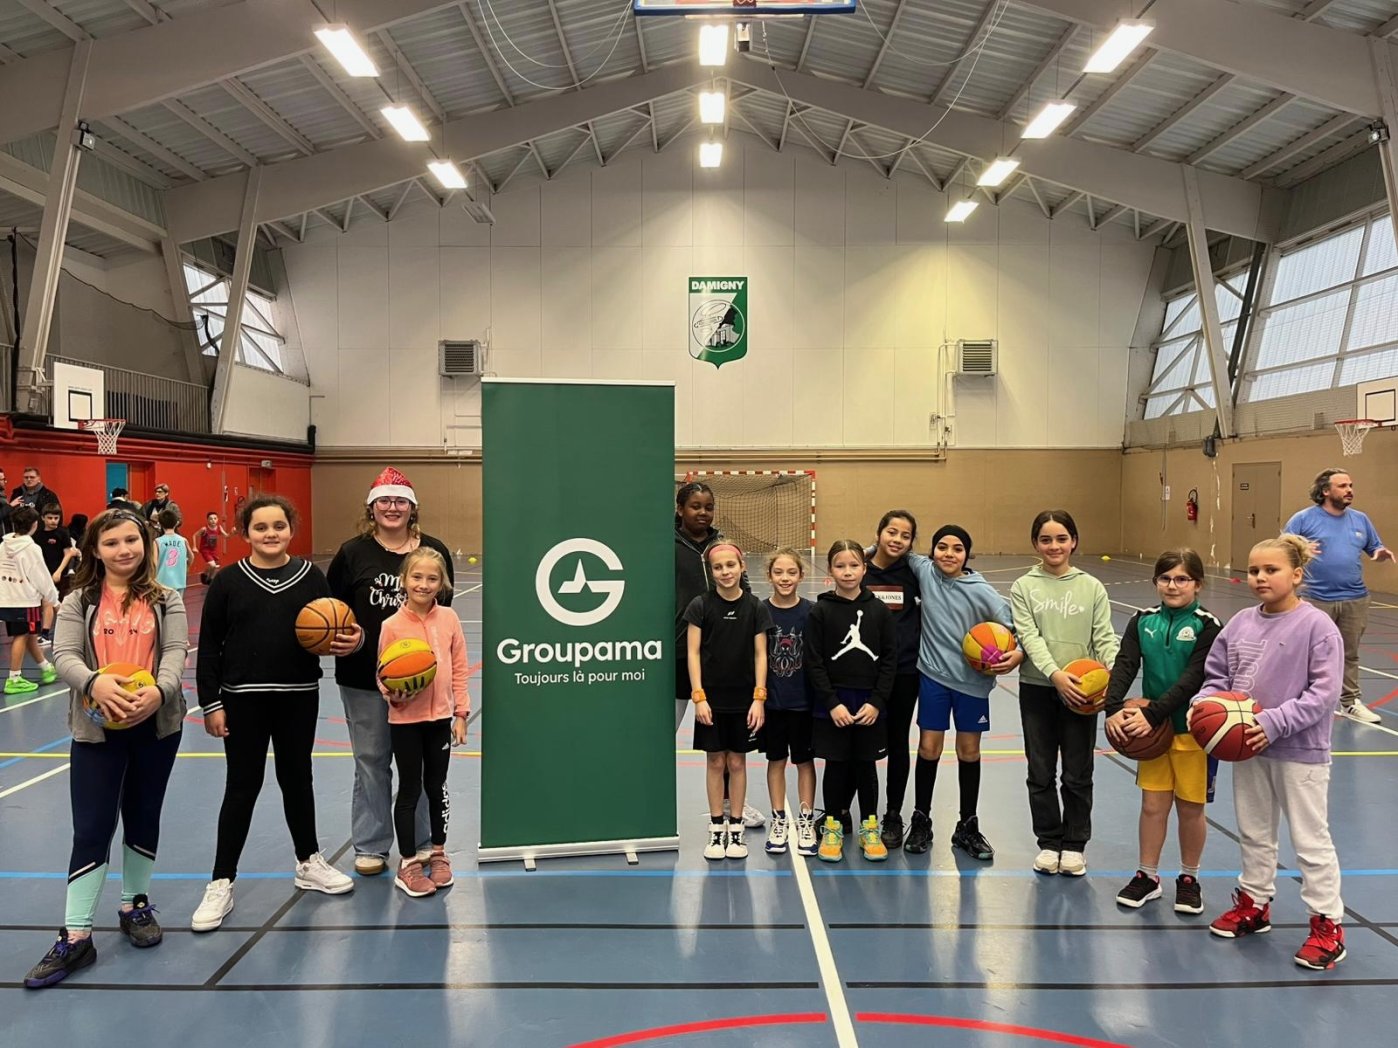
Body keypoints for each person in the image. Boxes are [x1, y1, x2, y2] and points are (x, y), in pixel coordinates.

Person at [22, 508, 189, 988]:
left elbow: (176, 651)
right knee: (92, 826)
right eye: (112, 543)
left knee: (143, 814)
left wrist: (160, 691)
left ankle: (134, 906)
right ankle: (76, 938)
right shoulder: (79, 601)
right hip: (96, 729)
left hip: (155, 726)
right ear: (95, 549)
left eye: (132, 540)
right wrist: (95, 684)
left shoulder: (167, 599)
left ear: (146, 544)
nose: (125, 550)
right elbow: (64, 654)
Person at [191, 495, 356, 932]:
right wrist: (211, 702)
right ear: (245, 533)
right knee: (242, 787)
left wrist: (350, 640)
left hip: (298, 695)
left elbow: (338, 628)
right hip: (242, 698)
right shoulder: (227, 581)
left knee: (297, 779)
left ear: (291, 529)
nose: (270, 534)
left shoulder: (311, 577)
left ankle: (308, 862)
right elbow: (208, 647)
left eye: (278, 526)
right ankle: (221, 880)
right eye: (260, 527)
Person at [1190, 535, 1347, 971]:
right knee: (1255, 832)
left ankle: (1327, 923)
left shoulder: (1317, 627)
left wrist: (1271, 723)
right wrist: (1203, 707)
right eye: (1255, 570)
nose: (1260, 577)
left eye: (1271, 570)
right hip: (1249, 750)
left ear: (1296, 575)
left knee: (1310, 841)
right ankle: (1255, 904)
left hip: (1299, 750)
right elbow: (1216, 676)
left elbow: (1324, 693)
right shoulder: (1239, 622)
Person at [327, 467, 452, 876]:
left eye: (400, 501)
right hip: (362, 678)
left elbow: (444, 613)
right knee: (371, 760)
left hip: (421, 685)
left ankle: (418, 844)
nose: (392, 507)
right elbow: (334, 612)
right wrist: (338, 637)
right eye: (385, 500)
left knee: (416, 768)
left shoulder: (432, 550)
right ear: (372, 506)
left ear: (412, 508)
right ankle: (371, 845)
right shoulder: (352, 553)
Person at [1104, 548, 1222, 914]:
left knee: (1190, 807)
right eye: (1166, 578)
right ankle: (1147, 875)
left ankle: (1189, 878)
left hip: (1192, 732)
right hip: (1151, 733)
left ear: (1197, 584)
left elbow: (1193, 679)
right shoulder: (1142, 620)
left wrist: (1152, 713)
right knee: (1153, 806)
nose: (1173, 585)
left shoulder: (1208, 625)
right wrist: (1112, 708)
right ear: (1155, 582)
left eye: (1182, 578)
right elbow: (1125, 664)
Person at [902, 525, 1022, 859]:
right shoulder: (924, 570)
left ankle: (967, 825)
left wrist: (1018, 651)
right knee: (928, 747)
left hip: (971, 683)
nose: (949, 554)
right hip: (933, 677)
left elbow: (1014, 625)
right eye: (942, 547)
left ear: (967, 555)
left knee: (969, 751)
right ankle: (922, 819)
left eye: (957, 548)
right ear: (932, 551)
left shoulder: (980, 590)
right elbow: (893, 548)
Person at [1010, 509, 1119, 877]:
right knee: (1040, 770)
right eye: (1045, 539)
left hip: (1082, 694)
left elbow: (1104, 637)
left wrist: (1113, 678)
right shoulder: (1024, 587)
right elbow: (1029, 637)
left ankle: (1074, 844)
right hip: (1038, 688)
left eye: (1061, 538)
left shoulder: (1091, 587)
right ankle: (1048, 841)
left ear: (1073, 541)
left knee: (1077, 772)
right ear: (1035, 544)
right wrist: (1055, 674)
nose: (1054, 546)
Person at [378, 547, 470, 896]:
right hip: (405, 721)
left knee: (437, 786)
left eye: (432, 578)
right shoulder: (391, 625)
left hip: (440, 719)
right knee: (410, 789)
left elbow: (459, 669)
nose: (424, 584)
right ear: (404, 580)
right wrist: (392, 694)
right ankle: (408, 862)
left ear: (442, 583)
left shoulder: (449, 619)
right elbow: (382, 674)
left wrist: (460, 713)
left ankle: (439, 853)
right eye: (417, 577)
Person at [673, 481, 764, 830]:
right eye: (695, 506)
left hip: (724, 660)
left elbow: (745, 594)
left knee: (726, 741)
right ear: (681, 509)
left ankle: (729, 804)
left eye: (708, 506)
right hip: (681, 654)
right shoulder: (666, 544)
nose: (702, 512)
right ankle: (652, 806)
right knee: (664, 732)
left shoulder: (721, 544)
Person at [806, 540, 895, 863]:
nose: (847, 572)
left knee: (866, 766)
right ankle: (832, 825)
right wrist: (831, 702)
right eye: (840, 566)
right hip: (834, 704)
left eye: (854, 565)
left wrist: (877, 702)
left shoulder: (879, 611)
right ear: (830, 571)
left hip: (869, 703)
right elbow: (813, 661)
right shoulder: (821, 611)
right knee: (837, 765)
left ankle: (869, 827)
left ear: (864, 568)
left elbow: (889, 660)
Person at [1283, 469, 1393, 723]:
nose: (1349, 490)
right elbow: (1281, 549)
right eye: (1343, 485)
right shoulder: (1303, 519)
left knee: (1349, 652)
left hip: (1354, 598)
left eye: (1351, 485)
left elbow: (1373, 545)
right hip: (1315, 598)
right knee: (1309, 652)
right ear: (1325, 491)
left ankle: (1350, 701)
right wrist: (1300, 548)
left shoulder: (1360, 519)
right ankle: (1302, 699)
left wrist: (1379, 552)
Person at [686, 542, 770, 861]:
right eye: (718, 567)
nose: (725, 572)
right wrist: (699, 697)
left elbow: (761, 654)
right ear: (712, 571)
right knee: (714, 761)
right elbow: (693, 653)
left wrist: (758, 698)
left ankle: (736, 828)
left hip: (744, 701)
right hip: (711, 700)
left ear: (742, 565)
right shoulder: (700, 605)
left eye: (730, 566)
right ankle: (716, 827)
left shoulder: (755, 607)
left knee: (737, 762)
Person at [863, 510, 922, 850]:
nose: (897, 539)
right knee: (864, 745)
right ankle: (863, 813)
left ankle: (893, 814)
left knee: (898, 742)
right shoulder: (861, 569)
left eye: (905, 535)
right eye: (891, 531)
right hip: (863, 676)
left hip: (903, 672)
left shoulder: (914, 573)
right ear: (879, 532)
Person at [761, 548, 818, 857]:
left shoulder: (811, 612)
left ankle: (806, 820)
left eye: (791, 572)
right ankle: (779, 819)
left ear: (801, 576)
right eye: (779, 572)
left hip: (803, 703)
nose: (785, 578)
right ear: (769, 575)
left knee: (804, 762)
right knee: (776, 762)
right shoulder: (759, 611)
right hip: (771, 703)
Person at [2, 506, 60, 693]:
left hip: (7, 598)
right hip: (25, 600)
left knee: (29, 634)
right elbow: (41, 576)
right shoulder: (31, 548)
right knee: (22, 635)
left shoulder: (3, 545)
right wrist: (54, 599)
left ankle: (45, 667)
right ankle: (15, 678)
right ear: (35, 524)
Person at [36, 504, 79, 641]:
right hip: (42, 572)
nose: (53, 521)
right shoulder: (37, 534)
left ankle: (45, 633)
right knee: (53, 603)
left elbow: (68, 553)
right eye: (50, 518)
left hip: (58, 573)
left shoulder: (62, 533)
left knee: (48, 601)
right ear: (43, 518)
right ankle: (72, 630)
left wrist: (59, 572)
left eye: (56, 518)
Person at [153, 511, 193, 593]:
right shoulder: (183, 540)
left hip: (162, 582)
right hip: (179, 581)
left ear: (160, 524)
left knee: (162, 605)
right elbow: (191, 557)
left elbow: (154, 563)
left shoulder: (157, 542)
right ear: (176, 523)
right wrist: (187, 567)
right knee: (177, 605)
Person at [193, 511, 230, 584]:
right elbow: (194, 535)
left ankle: (204, 574)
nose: (213, 520)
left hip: (213, 550)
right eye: (211, 519)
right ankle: (209, 579)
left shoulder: (219, 527)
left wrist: (232, 533)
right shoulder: (204, 529)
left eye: (215, 518)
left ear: (217, 519)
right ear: (207, 520)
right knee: (213, 565)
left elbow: (226, 536)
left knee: (212, 565)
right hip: (205, 550)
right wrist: (194, 546)